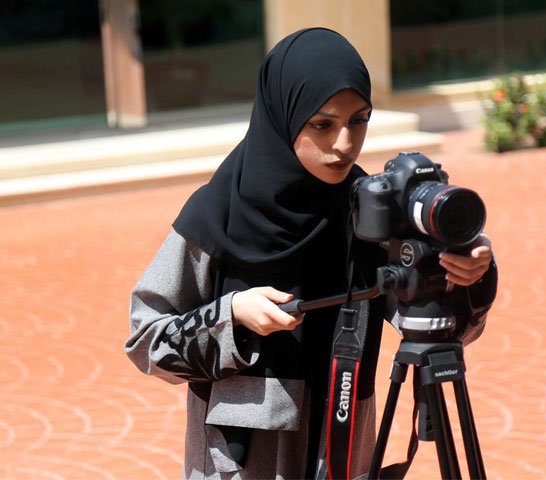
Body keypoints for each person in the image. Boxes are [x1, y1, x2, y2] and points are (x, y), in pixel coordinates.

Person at [125, 27, 497, 480]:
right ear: (283, 116)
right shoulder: (219, 213)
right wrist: (233, 315)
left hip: (344, 453)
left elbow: (439, 327)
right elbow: (146, 340)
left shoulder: (371, 210)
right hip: (242, 466)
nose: (343, 144)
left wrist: (466, 275)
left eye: (358, 120)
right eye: (323, 124)